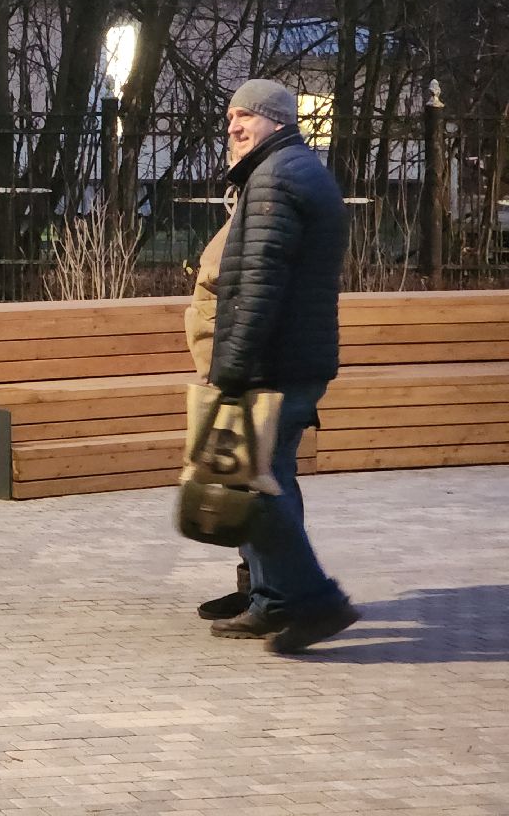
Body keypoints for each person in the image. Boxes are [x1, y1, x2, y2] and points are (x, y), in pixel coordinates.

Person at [203, 78, 359, 653]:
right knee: (269, 477)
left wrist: (235, 371)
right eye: (229, 119)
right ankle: (273, 602)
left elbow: (258, 288)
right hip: (291, 357)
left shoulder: (276, 178)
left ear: (276, 120)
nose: (234, 127)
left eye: (245, 116)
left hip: (276, 361)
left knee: (258, 483)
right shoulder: (293, 170)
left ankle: (317, 602)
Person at [183, 215, 251, 620]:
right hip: (241, 369)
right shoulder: (254, 208)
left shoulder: (262, 209)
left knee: (257, 483)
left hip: (246, 373)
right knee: (251, 481)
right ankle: (258, 587)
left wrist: (217, 369)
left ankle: (268, 590)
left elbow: (213, 293)